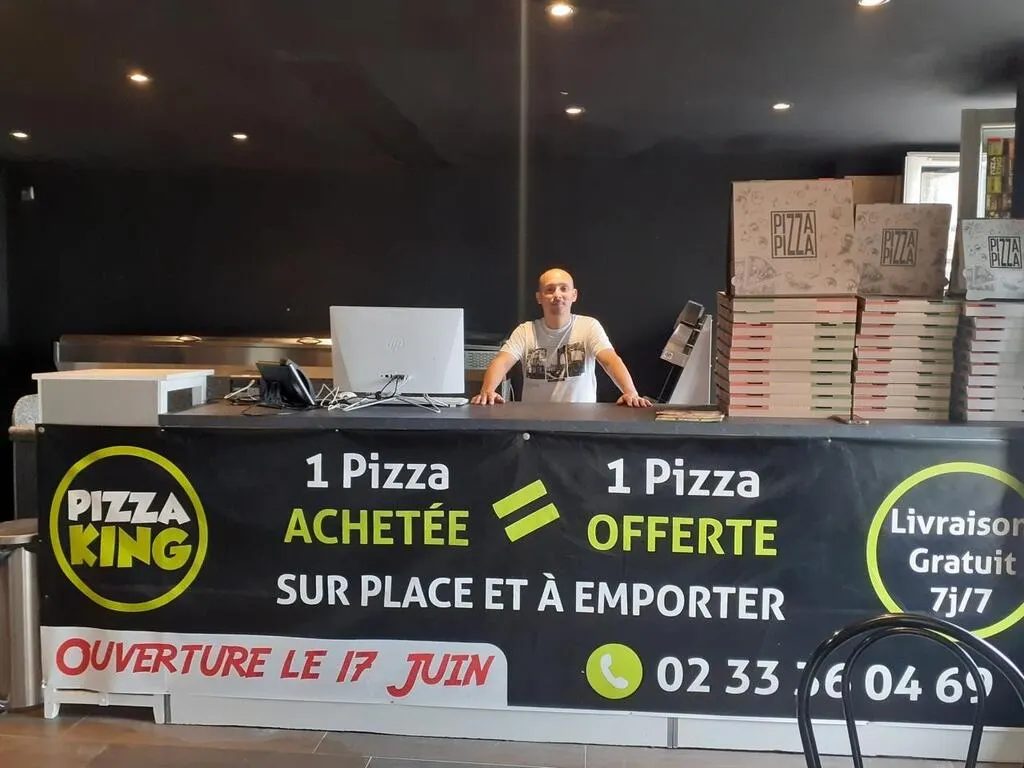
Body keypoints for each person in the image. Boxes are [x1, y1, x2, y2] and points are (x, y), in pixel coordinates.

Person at [471, 268, 652, 407]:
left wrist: (630, 392)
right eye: (550, 290)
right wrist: (487, 391)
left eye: (563, 289)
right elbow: (502, 362)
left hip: (580, 425)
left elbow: (610, 361)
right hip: (534, 426)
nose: (557, 295)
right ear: (539, 297)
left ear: (574, 295)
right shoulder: (525, 331)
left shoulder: (589, 326)